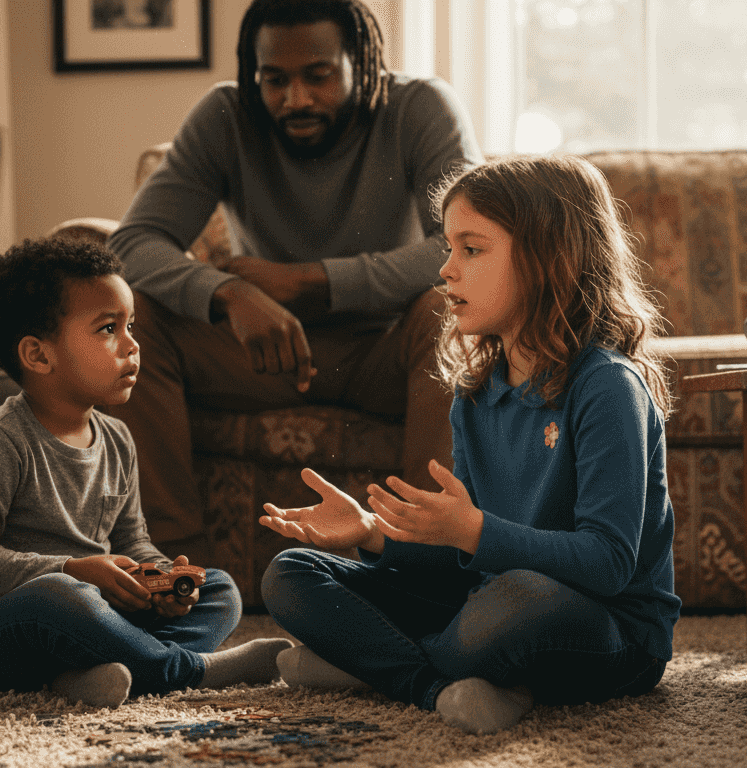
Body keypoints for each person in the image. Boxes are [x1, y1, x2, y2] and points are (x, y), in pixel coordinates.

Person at [257, 155, 682, 734]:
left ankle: (375, 664)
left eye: (472, 249)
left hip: (606, 632)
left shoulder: (607, 386)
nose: (446, 271)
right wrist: (371, 533)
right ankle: (436, 685)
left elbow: (607, 565)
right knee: (291, 573)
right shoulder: (476, 396)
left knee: (516, 601)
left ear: (548, 259)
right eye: (448, 249)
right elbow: (466, 563)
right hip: (490, 606)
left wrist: (475, 533)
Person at [104, 0, 483, 559]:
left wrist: (310, 281)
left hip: (385, 350)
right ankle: (166, 566)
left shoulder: (420, 106)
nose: (295, 98)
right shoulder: (226, 116)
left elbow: (467, 244)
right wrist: (226, 293)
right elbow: (131, 243)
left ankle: (425, 560)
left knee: (444, 312)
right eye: (274, 79)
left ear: (363, 63)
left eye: (318, 75)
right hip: (263, 353)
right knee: (137, 316)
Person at [0, 238, 292, 708]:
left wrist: (162, 577)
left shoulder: (118, 438)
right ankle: (186, 671)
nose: (133, 345)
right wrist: (72, 569)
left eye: (131, 325)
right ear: (39, 356)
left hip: (96, 610)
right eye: (108, 329)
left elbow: (132, 541)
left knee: (219, 590)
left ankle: (84, 675)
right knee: (61, 597)